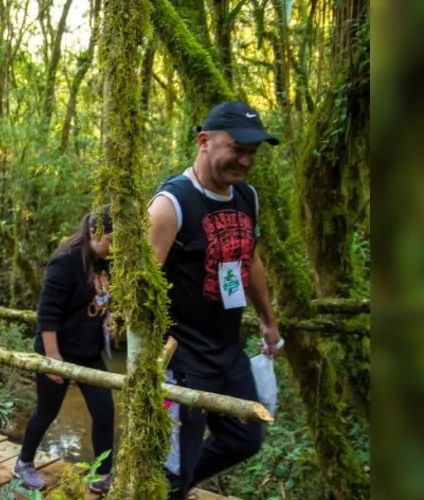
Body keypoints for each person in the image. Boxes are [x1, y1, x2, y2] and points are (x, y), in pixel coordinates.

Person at [147, 101, 282, 500]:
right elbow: (139, 288)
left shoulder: (247, 197)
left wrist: (268, 320)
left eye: (253, 152)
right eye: (237, 148)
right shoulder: (169, 205)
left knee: (246, 438)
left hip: (228, 351)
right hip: (181, 359)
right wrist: (149, 357)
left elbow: (250, 259)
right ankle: (170, 485)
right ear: (203, 141)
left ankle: (179, 483)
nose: (245, 160)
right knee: (174, 466)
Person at [13, 207, 116, 492]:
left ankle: (103, 473)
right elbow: (48, 314)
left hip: (90, 352)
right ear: (95, 234)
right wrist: (52, 359)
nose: (114, 247)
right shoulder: (66, 262)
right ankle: (23, 462)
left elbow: (102, 298)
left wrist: (108, 318)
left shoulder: (105, 261)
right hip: (57, 350)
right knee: (47, 411)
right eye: (111, 240)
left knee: (104, 411)